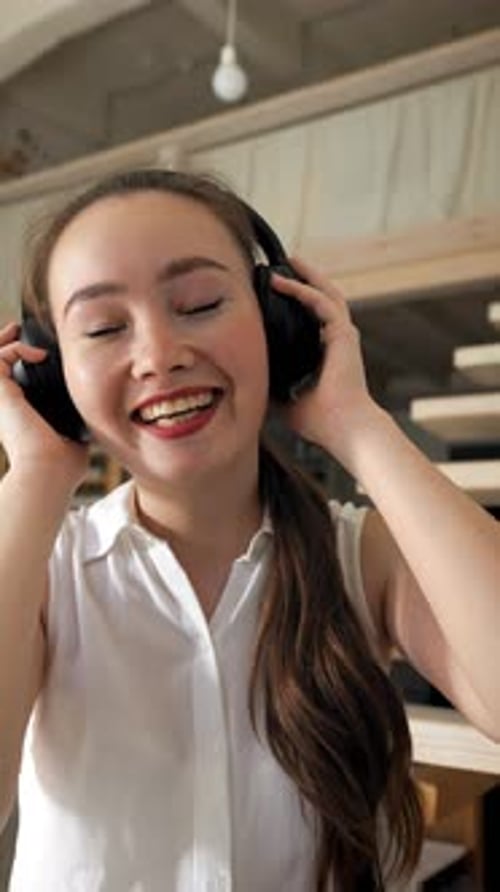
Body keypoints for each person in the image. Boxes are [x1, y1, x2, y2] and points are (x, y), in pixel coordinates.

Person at [0, 169, 498, 892]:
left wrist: (356, 426)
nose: (159, 354)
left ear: (279, 324)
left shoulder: (364, 558)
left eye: (199, 304)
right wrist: (35, 474)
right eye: (105, 327)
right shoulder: (41, 567)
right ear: (55, 378)